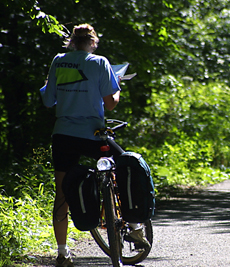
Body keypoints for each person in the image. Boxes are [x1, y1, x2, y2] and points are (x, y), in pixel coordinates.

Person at [40, 24, 149, 267]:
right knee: (124, 166)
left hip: (64, 134)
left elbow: (48, 100)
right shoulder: (100, 63)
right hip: (93, 134)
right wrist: (116, 84)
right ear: (93, 42)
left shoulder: (59, 60)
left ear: (73, 42)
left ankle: (62, 253)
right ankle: (133, 226)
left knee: (62, 194)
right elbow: (110, 104)